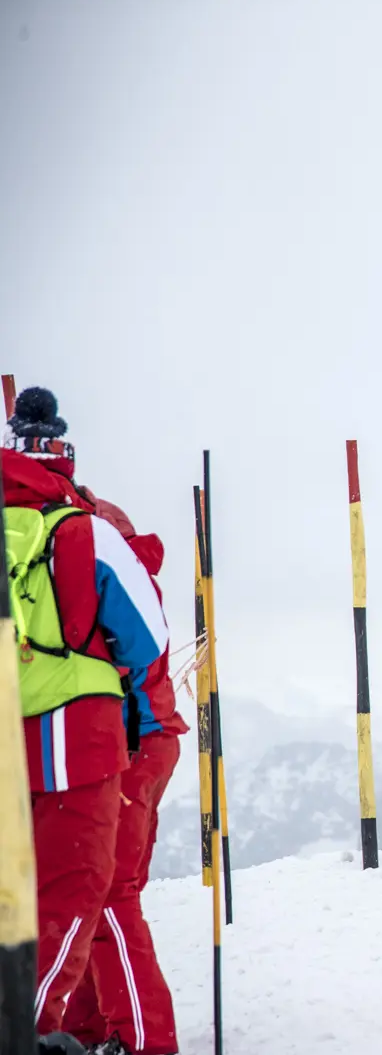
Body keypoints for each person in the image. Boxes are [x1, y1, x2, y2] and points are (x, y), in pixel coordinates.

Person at [2, 388, 169, 1040]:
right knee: (85, 891)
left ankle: (75, 1023)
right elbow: (146, 639)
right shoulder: (83, 531)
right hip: (80, 741)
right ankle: (44, 1027)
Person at [58, 494, 186, 1055]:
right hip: (145, 744)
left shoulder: (98, 582)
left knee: (108, 890)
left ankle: (141, 1039)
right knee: (92, 891)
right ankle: (93, 1028)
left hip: (130, 747)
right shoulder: (125, 578)